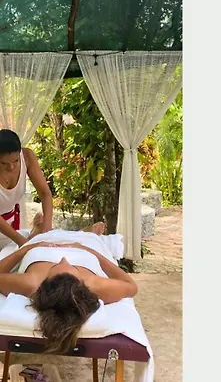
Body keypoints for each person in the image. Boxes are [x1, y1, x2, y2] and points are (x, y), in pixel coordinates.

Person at [0, 217, 137, 354]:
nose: (63, 259)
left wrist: (26, 249)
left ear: (45, 282)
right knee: (89, 238)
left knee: (42, 234)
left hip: (44, 242)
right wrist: (91, 251)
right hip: (84, 243)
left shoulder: (31, 282)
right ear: (80, 282)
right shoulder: (93, 284)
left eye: (55, 266)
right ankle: (85, 232)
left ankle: (39, 232)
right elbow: (130, 286)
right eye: (70, 266)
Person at [0, 129, 53, 249]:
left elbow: (45, 193)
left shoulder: (27, 157)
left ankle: (37, 229)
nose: (11, 167)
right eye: (4, 163)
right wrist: (22, 242)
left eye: (16, 160)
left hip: (11, 226)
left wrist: (47, 227)